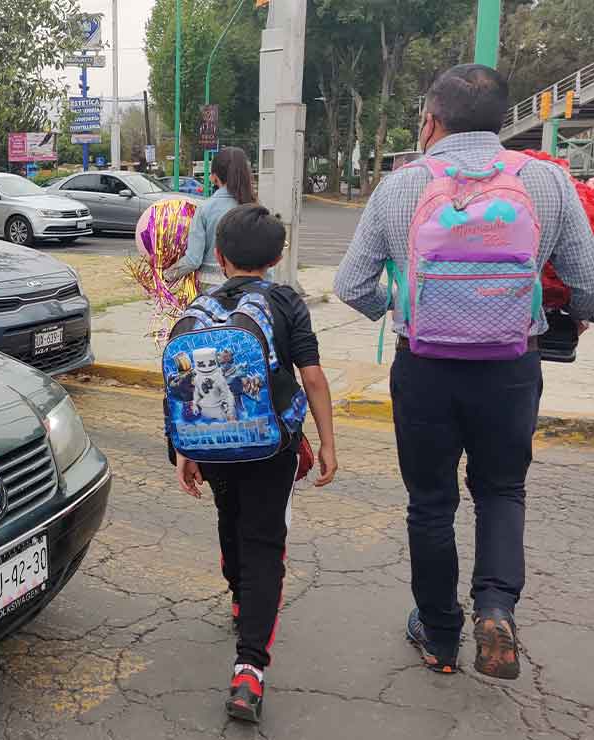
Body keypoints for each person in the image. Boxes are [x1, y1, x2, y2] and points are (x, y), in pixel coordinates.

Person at [334, 64, 594, 678]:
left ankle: (439, 636)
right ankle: (495, 605)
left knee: (430, 504)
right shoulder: (544, 180)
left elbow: (351, 285)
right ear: (501, 120)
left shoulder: (401, 186)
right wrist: (576, 317)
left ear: (431, 121)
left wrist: (403, 309)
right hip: (510, 366)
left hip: (425, 367)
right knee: (500, 490)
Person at [170, 204, 338, 722]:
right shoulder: (287, 302)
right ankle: (249, 670)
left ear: (219, 256)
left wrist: (184, 450)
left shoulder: (199, 309)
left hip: (212, 445)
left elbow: (178, 388)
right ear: (278, 255)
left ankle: (239, 596)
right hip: (270, 447)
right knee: (265, 541)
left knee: (230, 517)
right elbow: (311, 378)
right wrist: (327, 442)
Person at [167, 147, 265, 290]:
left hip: (211, 290)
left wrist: (166, 275)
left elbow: (193, 260)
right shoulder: (256, 208)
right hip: (250, 289)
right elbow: (265, 257)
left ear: (214, 177)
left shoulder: (204, 209)